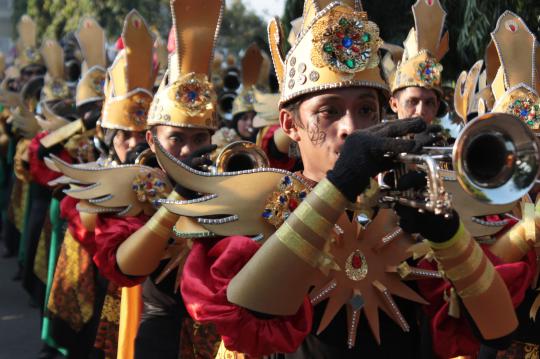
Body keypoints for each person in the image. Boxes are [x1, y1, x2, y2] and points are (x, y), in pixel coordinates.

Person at [156, 1, 519, 357]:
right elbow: (250, 316)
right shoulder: (263, 205)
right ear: (289, 125)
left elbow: (499, 331)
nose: (350, 128)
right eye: (328, 111)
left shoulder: (406, 209)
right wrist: (341, 185)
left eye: (365, 110)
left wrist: (449, 236)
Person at [386, 0, 448, 124]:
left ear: (437, 106)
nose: (420, 111)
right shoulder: (377, 144)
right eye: (412, 102)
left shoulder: (449, 144)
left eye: (429, 103)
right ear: (394, 104)